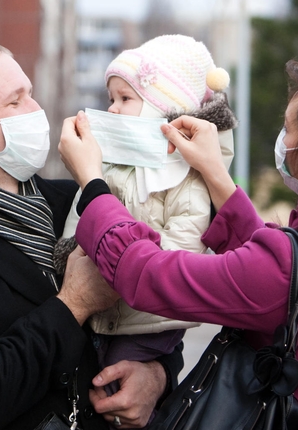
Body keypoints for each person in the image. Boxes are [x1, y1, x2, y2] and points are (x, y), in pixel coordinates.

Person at [58, 59, 298, 429]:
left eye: (289, 128)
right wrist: (213, 171)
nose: (283, 139)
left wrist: (94, 186)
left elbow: (147, 274)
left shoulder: (290, 271)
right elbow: (285, 281)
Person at [0, 43, 183, 430]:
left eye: (31, 93)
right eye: (15, 101)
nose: (36, 110)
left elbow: (159, 311)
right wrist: (73, 304)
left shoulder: (76, 202)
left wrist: (157, 375)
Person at [53, 35, 236, 408]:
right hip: (104, 310)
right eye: (111, 98)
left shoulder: (186, 177)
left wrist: (125, 264)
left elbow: (185, 249)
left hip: (150, 321)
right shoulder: (109, 161)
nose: (113, 109)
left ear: (161, 107)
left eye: (125, 99)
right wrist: (69, 254)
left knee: (119, 393)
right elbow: (81, 210)